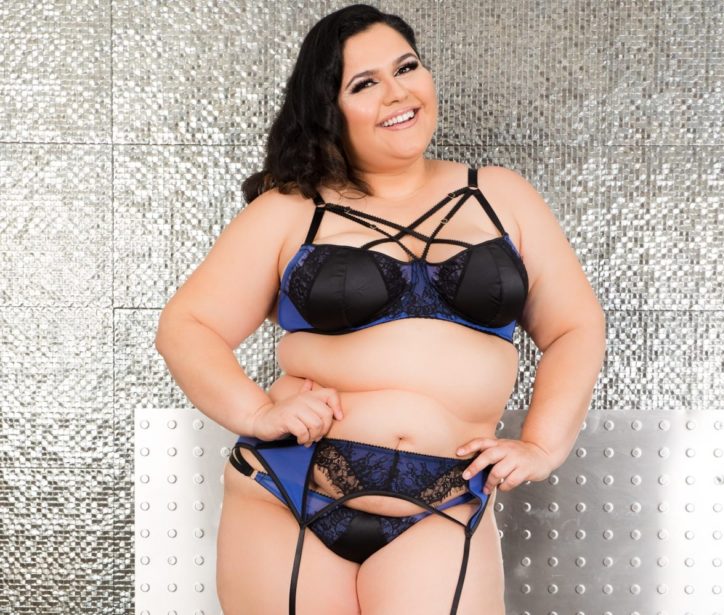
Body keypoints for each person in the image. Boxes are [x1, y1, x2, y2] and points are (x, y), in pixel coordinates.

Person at [155, 4, 606, 615]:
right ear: (328, 108)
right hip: (291, 487)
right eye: (364, 83)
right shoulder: (289, 210)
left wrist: (543, 446)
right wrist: (257, 411)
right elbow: (187, 326)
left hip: (445, 500)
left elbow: (576, 326)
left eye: (407, 67)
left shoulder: (501, 195)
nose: (397, 93)